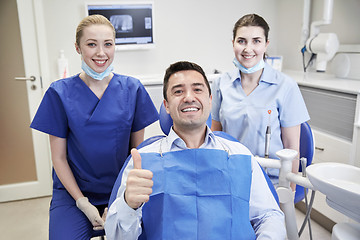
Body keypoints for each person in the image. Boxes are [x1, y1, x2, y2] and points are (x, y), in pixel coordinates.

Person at [105, 61, 286, 239]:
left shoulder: (240, 155)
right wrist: (129, 206)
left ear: (209, 101)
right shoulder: (142, 161)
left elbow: (268, 216)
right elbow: (117, 237)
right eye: (178, 91)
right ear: (166, 106)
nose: (189, 97)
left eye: (197, 89)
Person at [30, 15, 159, 240]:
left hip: (120, 188)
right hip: (73, 193)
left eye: (108, 44)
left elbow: (136, 155)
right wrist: (82, 203)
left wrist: (122, 199)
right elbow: (59, 158)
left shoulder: (132, 89)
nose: (101, 53)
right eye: (92, 44)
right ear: (78, 48)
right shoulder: (59, 93)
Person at [211, 14, 310, 190]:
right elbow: (216, 136)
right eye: (241, 41)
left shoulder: (286, 86)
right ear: (233, 43)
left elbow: (291, 147)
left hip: (271, 179)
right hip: (229, 175)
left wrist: (288, 193)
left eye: (256, 41)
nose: (248, 48)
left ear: (266, 44)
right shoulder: (221, 83)